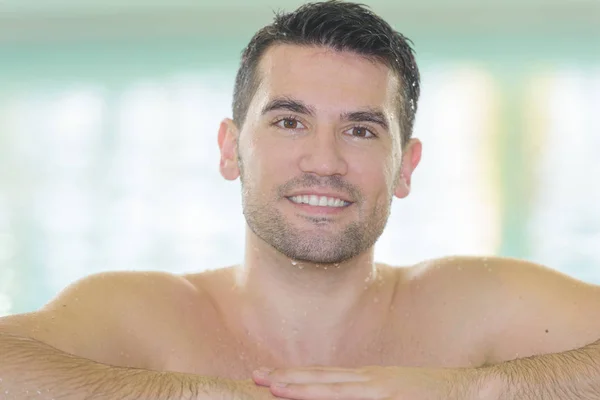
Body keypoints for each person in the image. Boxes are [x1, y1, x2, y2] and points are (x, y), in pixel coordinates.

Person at [1, 1, 599, 399]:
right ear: (231, 149)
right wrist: (193, 391)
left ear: (405, 167)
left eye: (361, 130)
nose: (324, 160)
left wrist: (466, 389)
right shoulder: (149, 318)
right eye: (289, 122)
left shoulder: (473, 307)